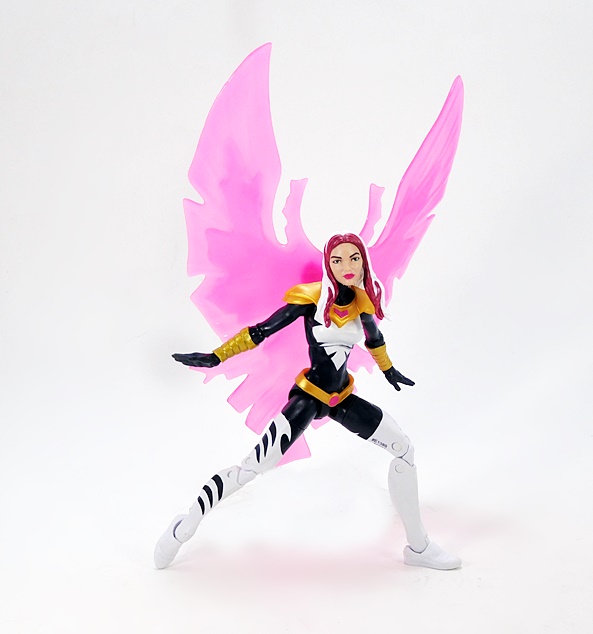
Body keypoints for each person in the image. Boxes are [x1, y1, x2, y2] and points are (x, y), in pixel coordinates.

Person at [154, 233, 461, 571]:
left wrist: (388, 370)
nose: (347, 266)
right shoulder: (311, 299)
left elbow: (375, 339)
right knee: (252, 468)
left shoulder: (363, 303)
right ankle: (184, 527)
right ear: (329, 264)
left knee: (404, 449)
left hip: (342, 398)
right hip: (309, 397)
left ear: (363, 262)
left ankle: (418, 547)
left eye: (354, 258)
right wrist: (217, 356)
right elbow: (262, 331)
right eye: (337, 260)